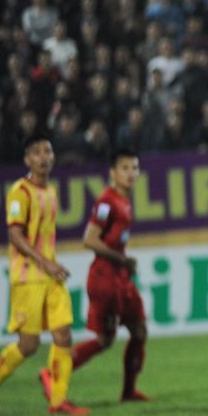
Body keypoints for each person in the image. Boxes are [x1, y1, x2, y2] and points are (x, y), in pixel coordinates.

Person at [0, 134, 90, 416]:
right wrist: (45, 263)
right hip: (28, 276)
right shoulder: (20, 192)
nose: (44, 157)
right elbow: (15, 235)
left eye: (48, 151)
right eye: (37, 152)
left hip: (50, 275)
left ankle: (58, 401)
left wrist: (52, 264)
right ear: (27, 159)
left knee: (63, 335)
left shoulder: (51, 192)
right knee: (29, 345)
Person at [64, 148, 152, 402]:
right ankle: (53, 373)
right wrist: (122, 259)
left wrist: (123, 263)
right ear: (113, 173)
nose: (131, 173)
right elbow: (89, 239)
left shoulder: (124, 201)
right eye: (125, 168)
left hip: (120, 276)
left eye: (134, 168)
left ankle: (128, 391)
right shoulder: (106, 202)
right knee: (104, 339)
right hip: (105, 276)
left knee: (139, 330)